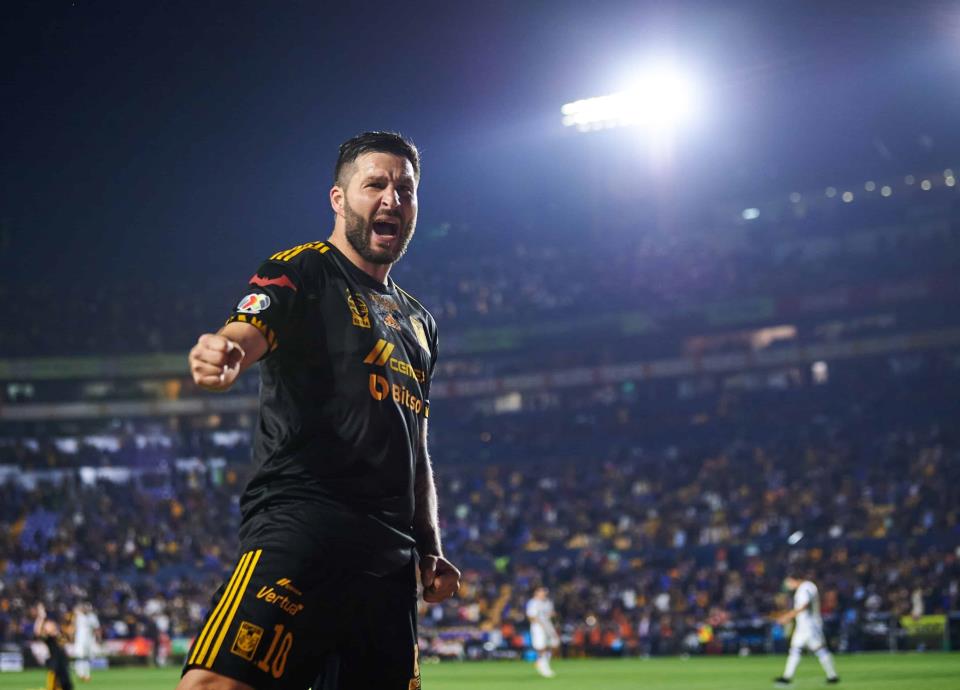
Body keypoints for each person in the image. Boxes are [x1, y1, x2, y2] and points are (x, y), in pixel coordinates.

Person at [177, 131, 460, 690]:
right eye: (375, 185)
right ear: (338, 198)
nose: (392, 199)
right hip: (307, 529)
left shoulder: (420, 323)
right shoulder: (303, 270)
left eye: (405, 189)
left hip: (390, 564)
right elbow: (248, 328)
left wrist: (429, 546)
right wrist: (227, 351)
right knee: (214, 685)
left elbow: (416, 447)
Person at [774, 574, 839, 686]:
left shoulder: (805, 587)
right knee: (796, 649)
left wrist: (788, 616)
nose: (788, 585)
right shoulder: (805, 587)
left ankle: (832, 676)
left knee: (818, 649)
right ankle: (786, 677)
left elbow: (804, 606)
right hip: (804, 625)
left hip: (810, 625)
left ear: (795, 580)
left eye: (789, 582)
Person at [34, 603, 73, 690]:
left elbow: (70, 635)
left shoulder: (61, 635)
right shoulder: (49, 639)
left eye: (50, 624)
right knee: (52, 688)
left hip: (64, 668)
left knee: (67, 687)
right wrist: (41, 617)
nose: (50, 625)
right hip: (54, 668)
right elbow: (37, 632)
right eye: (47, 625)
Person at [526, 587, 560, 678]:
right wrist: (540, 625)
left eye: (544, 591)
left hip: (548, 624)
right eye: (541, 591)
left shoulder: (548, 602)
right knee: (541, 646)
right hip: (538, 625)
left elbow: (550, 613)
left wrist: (552, 616)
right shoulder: (533, 602)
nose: (543, 593)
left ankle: (541, 662)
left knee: (555, 643)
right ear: (536, 592)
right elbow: (531, 616)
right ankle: (544, 666)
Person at [71, 602, 100, 682]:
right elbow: (73, 624)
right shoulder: (78, 616)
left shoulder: (92, 617)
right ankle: (80, 674)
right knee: (80, 656)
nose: (86, 610)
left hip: (89, 640)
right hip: (79, 640)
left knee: (87, 658)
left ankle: (86, 675)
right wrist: (71, 637)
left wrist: (98, 638)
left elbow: (96, 628)